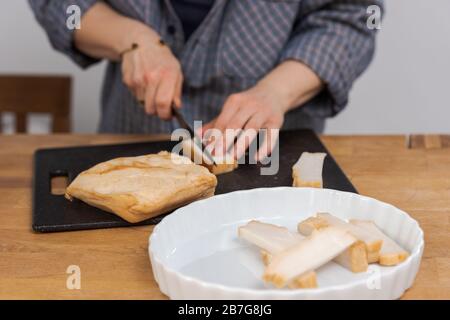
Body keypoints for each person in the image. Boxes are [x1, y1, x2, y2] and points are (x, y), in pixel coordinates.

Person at [30, 0, 383, 161]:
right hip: (132, 132)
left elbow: (354, 16)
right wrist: (130, 38)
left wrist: (277, 91)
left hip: (274, 153)